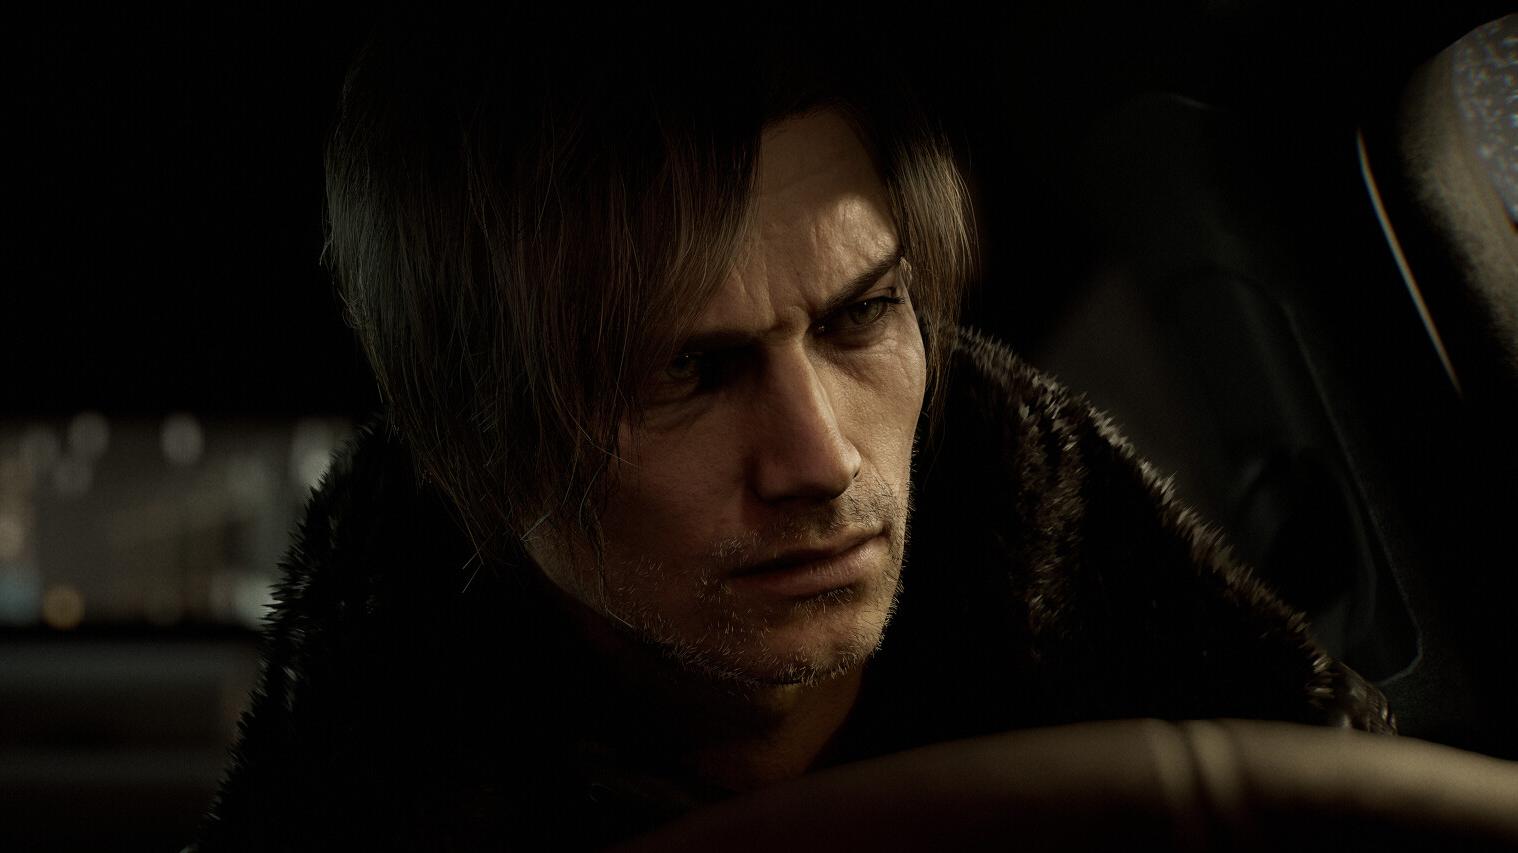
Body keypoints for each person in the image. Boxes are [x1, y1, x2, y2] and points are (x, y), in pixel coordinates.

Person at [189, 9, 1392, 851]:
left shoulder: (1229, 752)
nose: (821, 460)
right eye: (687, 370)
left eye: (861, 315)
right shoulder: (376, 798)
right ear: (475, 439)